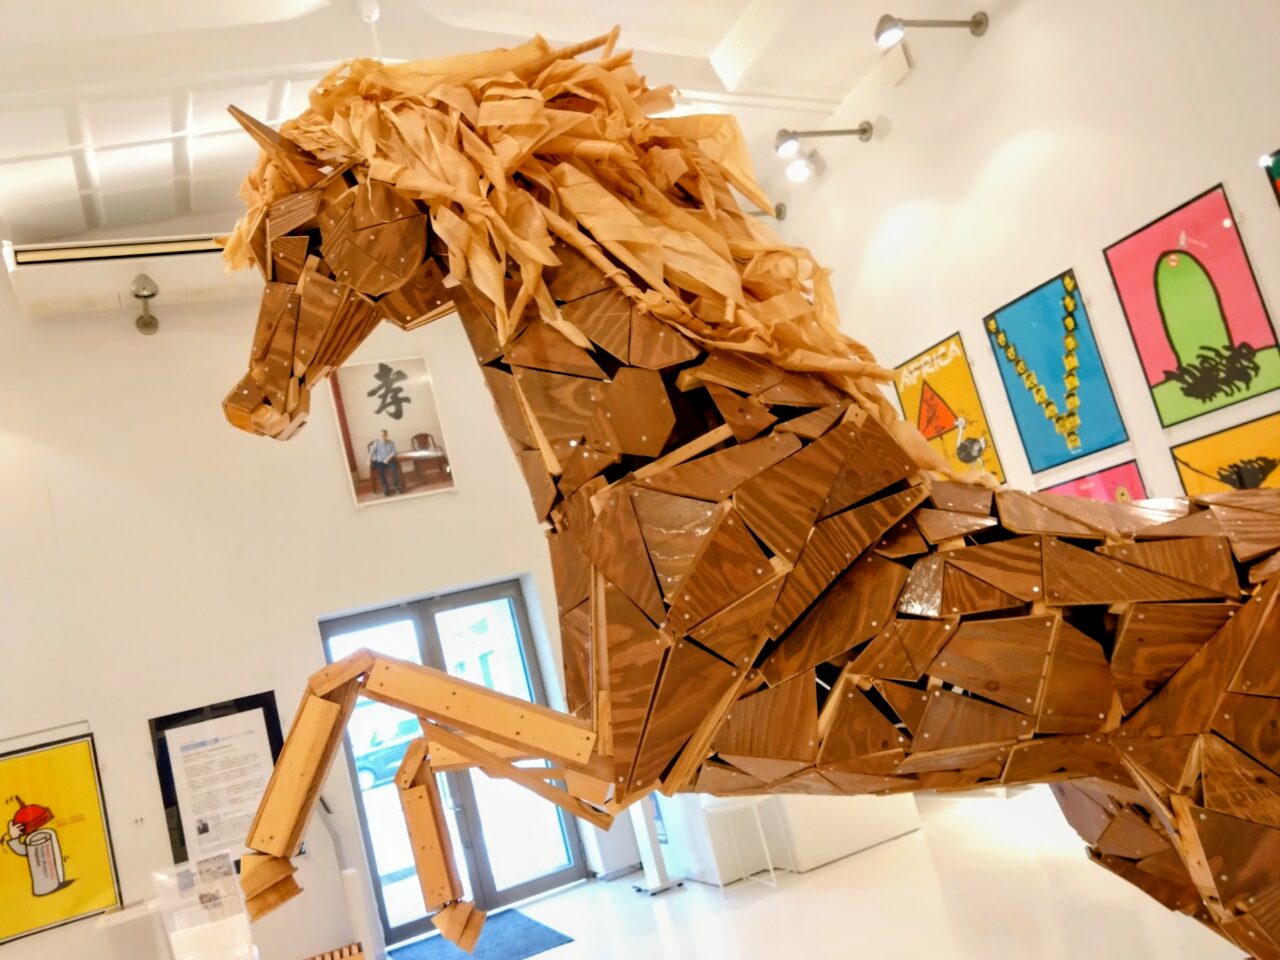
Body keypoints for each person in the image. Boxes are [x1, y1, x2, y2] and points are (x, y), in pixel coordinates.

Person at [369, 430, 403, 496]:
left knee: (394, 469)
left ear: (387, 435)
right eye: (381, 435)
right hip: (380, 462)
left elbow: (394, 452)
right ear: (379, 436)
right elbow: (371, 452)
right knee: (380, 471)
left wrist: (388, 458)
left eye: (384, 435)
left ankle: (396, 486)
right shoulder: (376, 443)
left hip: (390, 460)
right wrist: (369, 460)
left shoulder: (391, 442)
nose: (383, 436)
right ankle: (386, 488)